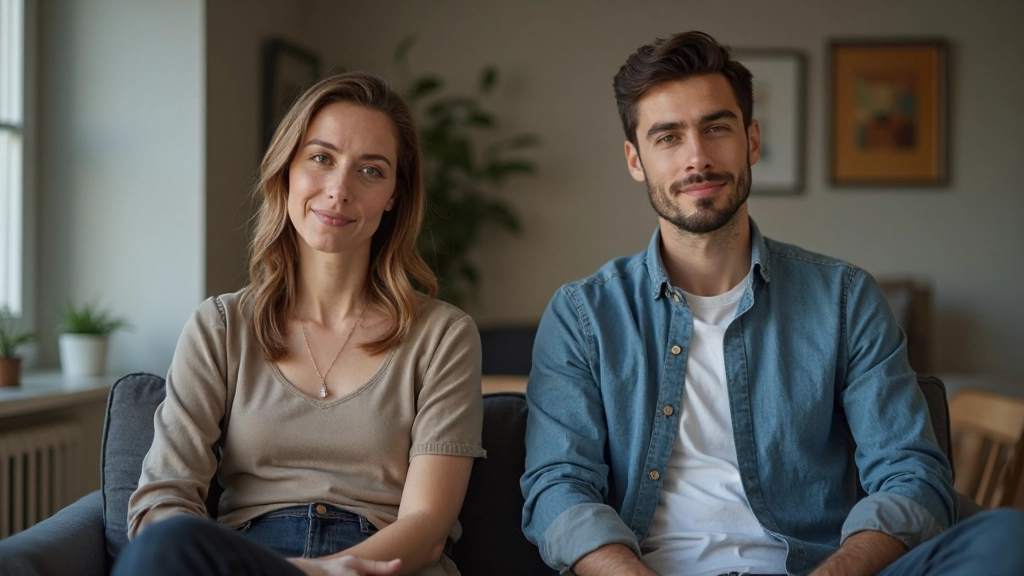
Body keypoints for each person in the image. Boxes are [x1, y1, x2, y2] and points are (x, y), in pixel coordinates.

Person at [521, 31, 1024, 576]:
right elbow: (558, 488)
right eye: (668, 137)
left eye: (716, 128)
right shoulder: (582, 315)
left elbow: (910, 472)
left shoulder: (845, 298)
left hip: (818, 568)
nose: (697, 158)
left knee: (1008, 536)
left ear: (752, 140)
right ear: (635, 160)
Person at [114, 72, 486, 576]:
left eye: (371, 171)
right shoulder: (220, 327)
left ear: (394, 195)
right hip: (248, 562)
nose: (339, 190)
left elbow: (426, 526)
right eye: (321, 158)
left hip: (383, 567)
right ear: (287, 168)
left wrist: (328, 571)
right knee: (165, 544)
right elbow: (161, 502)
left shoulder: (443, 335)